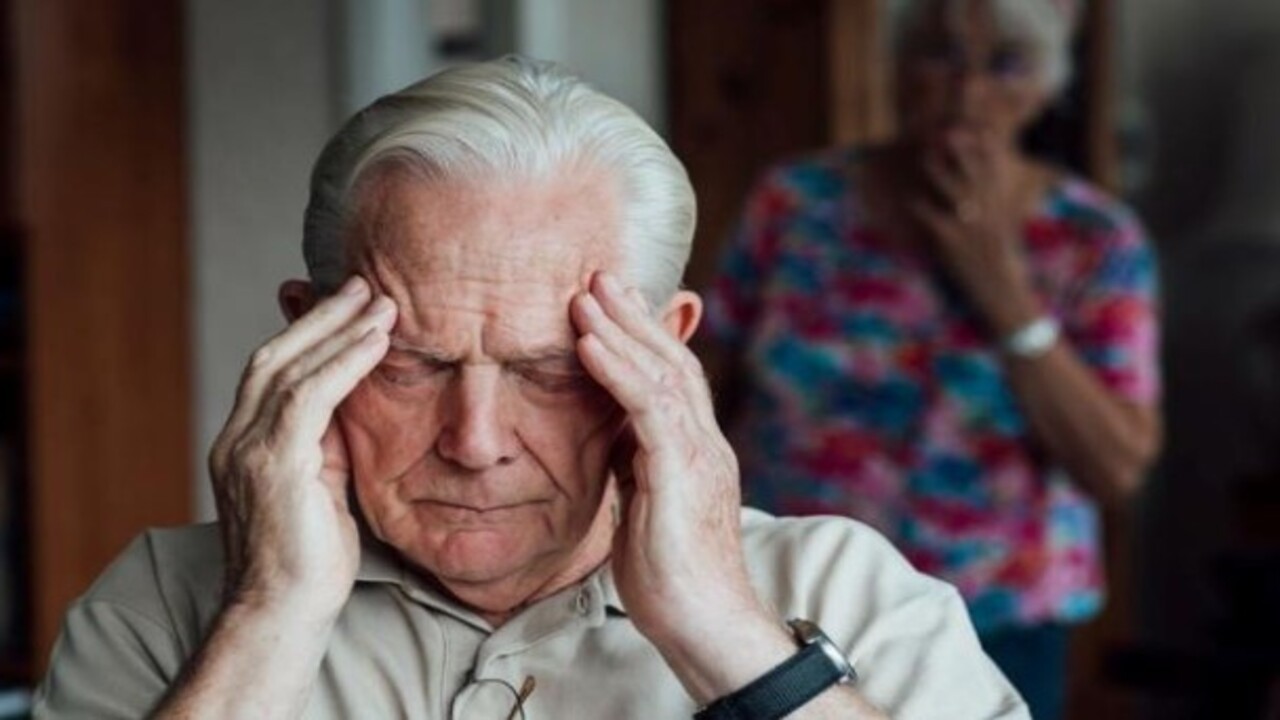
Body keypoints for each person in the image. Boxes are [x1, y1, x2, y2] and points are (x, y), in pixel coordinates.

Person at [33, 56, 1026, 719]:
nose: (475, 441)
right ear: (306, 338)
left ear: (666, 354)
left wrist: (722, 628)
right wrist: (269, 615)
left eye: (548, 371)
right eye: (409, 364)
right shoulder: (166, 605)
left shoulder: (850, 594)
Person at [701, 2, 1160, 719]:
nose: (968, 91)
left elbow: (1118, 466)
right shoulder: (795, 204)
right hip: (787, 594)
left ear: (1047, 86)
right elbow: (704, 387)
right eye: (939, 56)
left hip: (1000, 619)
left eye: (1006, 63)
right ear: (896, 67)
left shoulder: (1092, 239)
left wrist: (1002, 292)